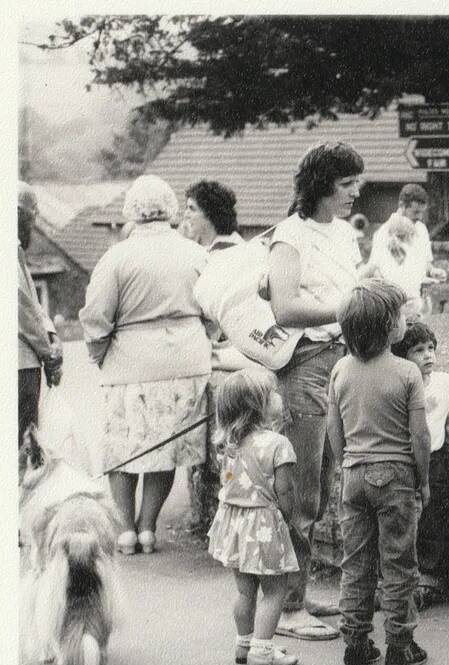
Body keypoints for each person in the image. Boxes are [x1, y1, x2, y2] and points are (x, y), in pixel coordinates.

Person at [265, 141, 369, 640]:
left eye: (356, 183)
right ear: (322, 185)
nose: (356, 192)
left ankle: (298, 593)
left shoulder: (346, 233)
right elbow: (284, 307)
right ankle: (286, 610)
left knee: (323, 484)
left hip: (342, 359)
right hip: (306, 364)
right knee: (302, 490)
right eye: (347, 184)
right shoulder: (290, 235)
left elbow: (343, 289)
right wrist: (350, 306)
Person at [80, 174, 212, 556]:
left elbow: (96, 316)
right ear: (170, 208)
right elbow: (213, 306)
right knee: (165, 447)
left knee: (123, 447)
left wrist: (99, 352)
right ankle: (148, 527)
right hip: (186, 360)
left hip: (130, 364)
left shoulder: (116, 257)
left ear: (132, 211)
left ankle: (125, 530)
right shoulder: (194, 254)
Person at [327, 278, 431, 665]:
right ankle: (400, 646)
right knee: (399, 563)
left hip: (353, 472)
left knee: (356, 563)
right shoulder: (407, 372)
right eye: (401, 314)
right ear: (390, 326)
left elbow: (334, 428)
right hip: (396, 476)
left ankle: (355, 644)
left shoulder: (340, 370)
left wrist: (345, 464)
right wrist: (422, 481)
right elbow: (419, 436)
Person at [206, 368, 300, 665]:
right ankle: (262, 651)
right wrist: (290, 517)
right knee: (275, 590)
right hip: (263, 524)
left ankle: (245, 643)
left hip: (234, 525)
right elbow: (284, 489)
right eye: (271, 393)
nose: (278, 396)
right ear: (256, 405)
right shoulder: (277, 444)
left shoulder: (228, 443)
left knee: (245, 591)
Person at [181, 180, 257, 531]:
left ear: (209, 215)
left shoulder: (224, 257)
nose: (185, 217)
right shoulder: (216, 252)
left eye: (191, 209)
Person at [391, 321, 449, 606]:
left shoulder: (443, 382)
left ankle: (429, 579)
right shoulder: (397, 383)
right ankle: (396, 581)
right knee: (399, 522)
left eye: (431, 348)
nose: (428, 356)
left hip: (433, 461)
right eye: (418, 350)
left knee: (432, 519)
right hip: (400, 462)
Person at [17, 182, 63, 444]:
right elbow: (23, 310)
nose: (34, 226)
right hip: (20, 366)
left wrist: (51, 333)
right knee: (25, 445)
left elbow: (31, 305)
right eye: (32, 216)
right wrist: (50, 355)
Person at [370, 185, 446, 313]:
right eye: (416, 212)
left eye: (422, 212)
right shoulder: (383, 233)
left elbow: (426, 263)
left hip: (416, 301)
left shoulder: (421, 229)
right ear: (402, 206)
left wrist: (433, 271)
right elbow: (374, 270)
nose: (420, 217)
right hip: (393, 304)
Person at [368, 214, 442, 319]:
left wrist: (425, 279)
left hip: (405, 301)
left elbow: (412, 277)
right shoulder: (387, 256)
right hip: (399, 302)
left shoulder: (410, 257)